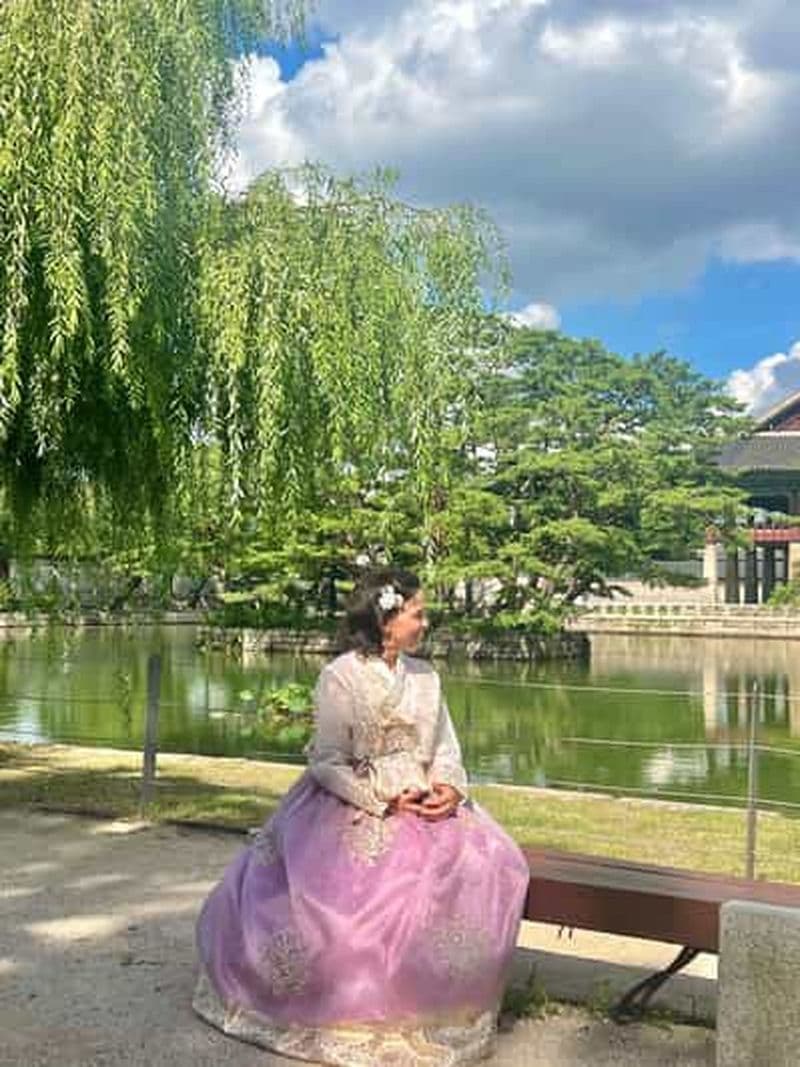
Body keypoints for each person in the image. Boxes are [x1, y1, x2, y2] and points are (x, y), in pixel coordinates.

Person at [193, 567, 530, 1066]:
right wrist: (383, 801)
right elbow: (327, 760)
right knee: (354, 914)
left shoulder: (426, 676)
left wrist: (448, 788)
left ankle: (442, 1007)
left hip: (425, 799)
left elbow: (444, 747)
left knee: (491, 864)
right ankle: (348, 1012)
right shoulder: (340, 677)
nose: (425, 622)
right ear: (387, 617)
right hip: (353, 802)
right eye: (418, 613)